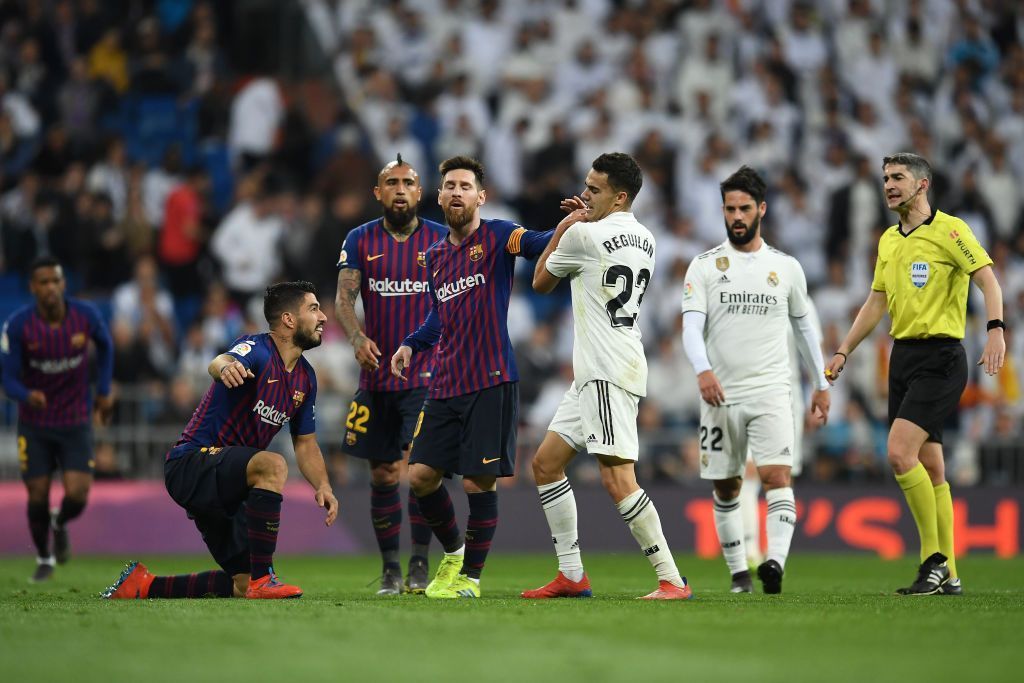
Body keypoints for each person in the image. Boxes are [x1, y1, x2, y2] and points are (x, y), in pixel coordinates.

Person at [824, 152, 1005, 596]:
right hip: (902, 357)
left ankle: (932, 561)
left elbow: (988, 280)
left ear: (922, 185)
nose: (888, 185)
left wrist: (996, 331)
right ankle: (951, 574)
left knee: (899, 453)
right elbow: (876, 302)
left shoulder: (951, 230)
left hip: (941, 357)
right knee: (932, 467)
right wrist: (845, 349)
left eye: (898, 177)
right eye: (886, 177)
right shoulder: (889, 240)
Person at [520, 152, 692, 600]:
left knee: (618, 479)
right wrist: (583, 220)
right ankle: (572, 574)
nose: (584, 196)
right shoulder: (647, 238)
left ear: (620, 197)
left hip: (605, 370)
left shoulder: (583, 234)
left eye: (594, 190)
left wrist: (564, 226)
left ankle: (672, 580)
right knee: (545, 464)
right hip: (608, 364)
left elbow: (540, 281)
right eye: (586, 185)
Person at [103, 281, 339, 600]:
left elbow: (306, 443)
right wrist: (226, 369)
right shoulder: (257, 348)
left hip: (229, 484)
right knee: (272, 465)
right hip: (191, 463)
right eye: (314, 309)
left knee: (241, 584)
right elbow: (220, 361)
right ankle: (265, 579)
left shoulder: (306, 378)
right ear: (288, 319)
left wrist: (323, 485)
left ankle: (142, 585)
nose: (323, 317)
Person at [390, 155, 552, 599]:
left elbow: (538, 243)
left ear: (481, 197)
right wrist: (411, 344)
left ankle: (471, 579)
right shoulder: (435, 256)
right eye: (450, 186)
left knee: (476, 482)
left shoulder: (499, 235)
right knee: (420, 475)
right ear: (439, 196)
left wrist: (574, 223)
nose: (457, 192)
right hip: (445, 382)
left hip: (491, 378)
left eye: (465, 186)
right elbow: (438, 316)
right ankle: (455, 554)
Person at [681, 166, 830, 594]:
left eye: (744, 208)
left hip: (772, 391)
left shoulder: (786, 267)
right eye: (730, 209)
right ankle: (738, 574)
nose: (737, 216)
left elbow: (805, 329)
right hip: (720, 395)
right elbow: (690, 327)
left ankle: (775, 564)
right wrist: (702, 370)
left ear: (761, 209)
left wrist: (821, 383)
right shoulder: (704, 266)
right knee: (727, 486)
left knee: (777, 477)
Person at [335, 155, 446, 595]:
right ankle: (390, 570)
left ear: (420, 192)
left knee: (420, 470)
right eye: (392, 182)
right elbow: (344, 299)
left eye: (408, 182)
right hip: (377, 378)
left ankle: (419, 562)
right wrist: (356, 337)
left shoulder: (441, 239)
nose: (400, 189)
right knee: (383, 474)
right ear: (378, 192)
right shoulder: (359, 239)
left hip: (426, 377)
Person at [1, 257, 114, 583]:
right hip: (35, 423)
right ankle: (44, 558)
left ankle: (60, 521)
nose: (50, 287)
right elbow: (7, 379)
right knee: (37, 494)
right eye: (43, 282)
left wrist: (104, 391)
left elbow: (106, 346)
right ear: (32, 287)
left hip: (75, 419)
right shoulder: (18, 326)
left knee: (78, 494)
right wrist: (26, 394)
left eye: (55, 281)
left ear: (64, 284)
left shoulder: (85, 315)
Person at [740, 301, 824, 569]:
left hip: (788, 398)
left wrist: (817, 389)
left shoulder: (802, 300)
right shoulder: (746, 294)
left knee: (783, 476)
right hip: (747, 392)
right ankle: (750, 551)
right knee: (749, 471)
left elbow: (813, 348)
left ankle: (775, 555)